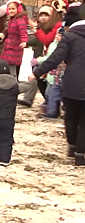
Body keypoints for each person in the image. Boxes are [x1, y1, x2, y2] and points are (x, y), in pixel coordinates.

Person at [29, 14, 85, 166]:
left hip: (72, 83)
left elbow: (55, 58)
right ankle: (81, 155)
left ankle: (72, 148)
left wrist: (36, 72)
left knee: (71, 116)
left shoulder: (69, 37)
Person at [20, 5, 63, 107]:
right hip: (39, 56)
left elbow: (46, 39)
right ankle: (31, 99)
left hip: (48, 58)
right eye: (41, 15)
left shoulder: (53, 28)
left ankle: (50, 102)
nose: (43, 17)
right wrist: (27, 42)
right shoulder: (39, 28)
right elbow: (35, 40)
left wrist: (36, 30)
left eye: (46, 15)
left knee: (48, 82)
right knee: (37, 79)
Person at [31, 27, 64, 118]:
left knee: (55, 94)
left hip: (60, 74)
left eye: (61, 35)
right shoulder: (53, 44)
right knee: (49, 93)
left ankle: (53, 112)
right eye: (57, 34)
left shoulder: (64, 46)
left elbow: (52, 59)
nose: (58, 37)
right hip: (51, 74)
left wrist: (39, 62)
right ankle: (52, 108)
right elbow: (49, 57)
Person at [0, 0, 28, 77]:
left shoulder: (20, 20)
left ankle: (13, 83)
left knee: (12, 68)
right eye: (10, 9)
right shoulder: (11, 19)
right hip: (9, 46)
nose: (11, 11)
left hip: (15, 47)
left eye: (13, 9)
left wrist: (24, 41)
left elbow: (23, 31)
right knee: (7, 66)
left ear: (18, 9)